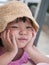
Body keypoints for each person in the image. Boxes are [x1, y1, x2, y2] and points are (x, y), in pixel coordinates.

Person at [0, 1, 49, 65]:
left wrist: (29, 49)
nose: (23, 32)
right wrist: (11, 52)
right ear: (1, 31)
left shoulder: (31, 48)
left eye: (28, 27)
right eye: (15, 27)